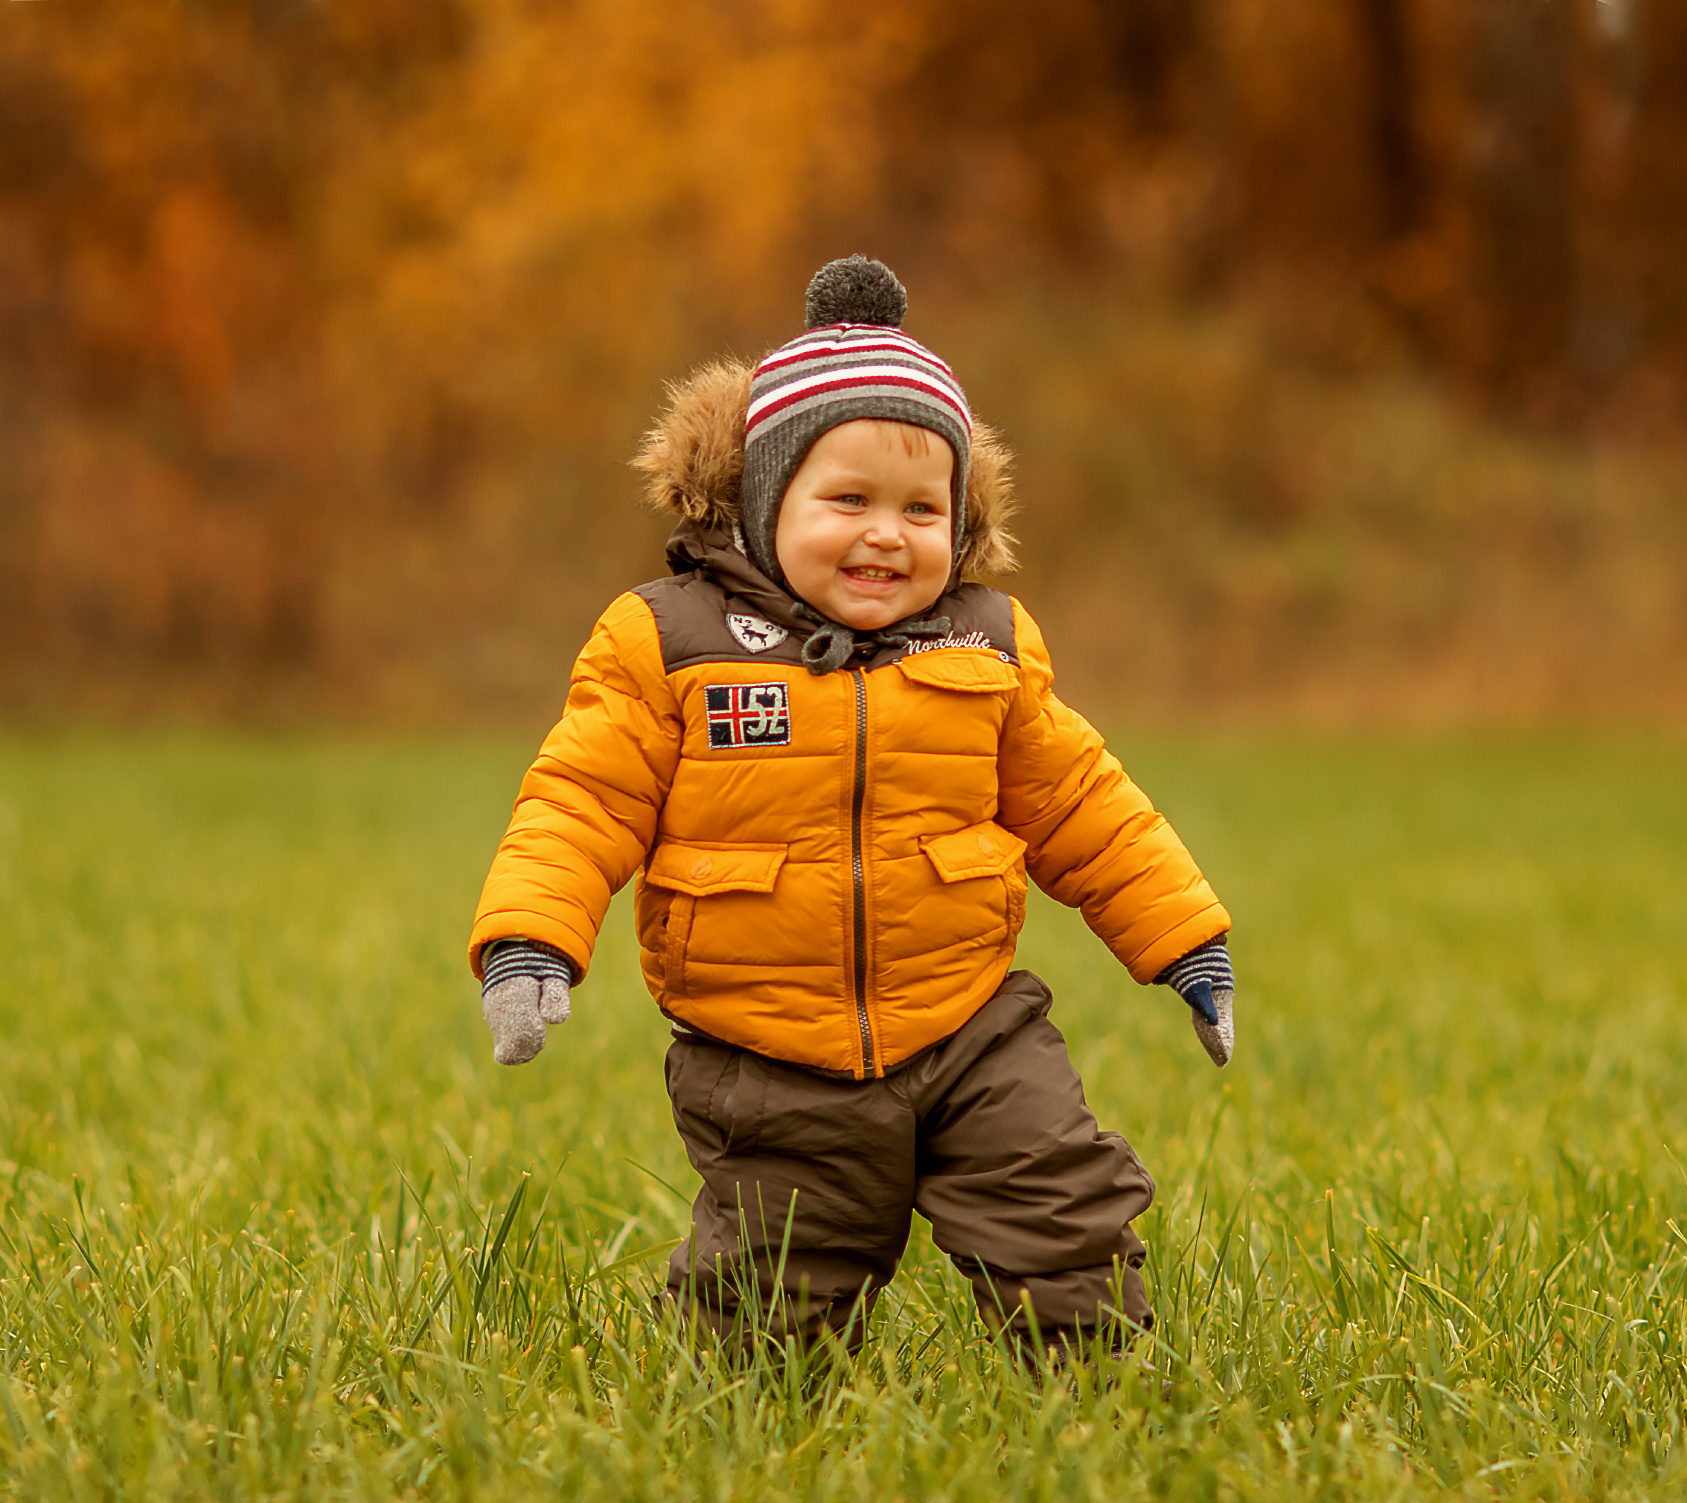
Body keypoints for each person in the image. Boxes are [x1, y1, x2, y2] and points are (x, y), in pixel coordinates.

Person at [469, 256, 1236, 1357]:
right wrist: (529, 942)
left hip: (972, 1028)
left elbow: (1083, 802)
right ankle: (749, 1422)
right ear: (767, 500)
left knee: (1065, 1213)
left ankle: (1098, 1400)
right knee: (773, 1295)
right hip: (766, 1054)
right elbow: (578, 801)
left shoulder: (985, 647)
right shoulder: (669, 644)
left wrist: (1188, 945)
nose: (888, 534)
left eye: (925, 509)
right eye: (850, 501)